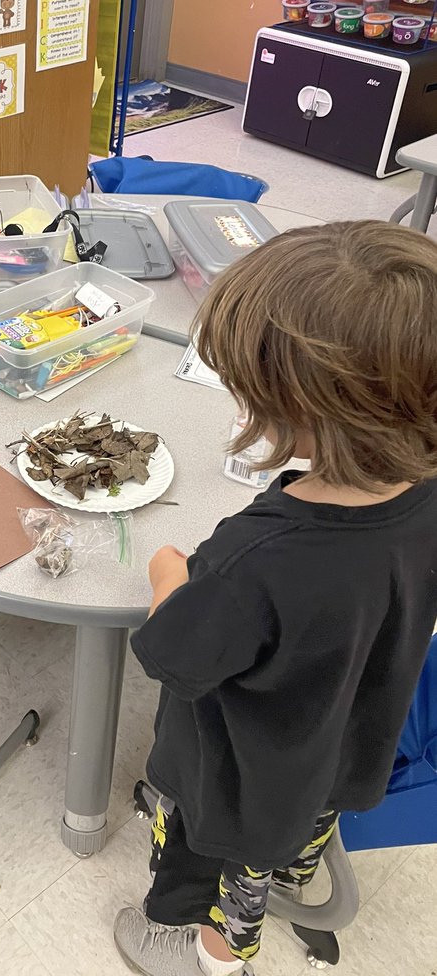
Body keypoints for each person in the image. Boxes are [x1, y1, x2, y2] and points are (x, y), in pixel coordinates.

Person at [114, 221, 437, 976]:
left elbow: (174, 656)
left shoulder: (254, 560)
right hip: (348, 735)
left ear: (301, 407)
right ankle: (294, 869)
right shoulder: (424, 493)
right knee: (295, 826)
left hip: (241, 767)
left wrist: (169, 573)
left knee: (229, 860)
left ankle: (210, 953)